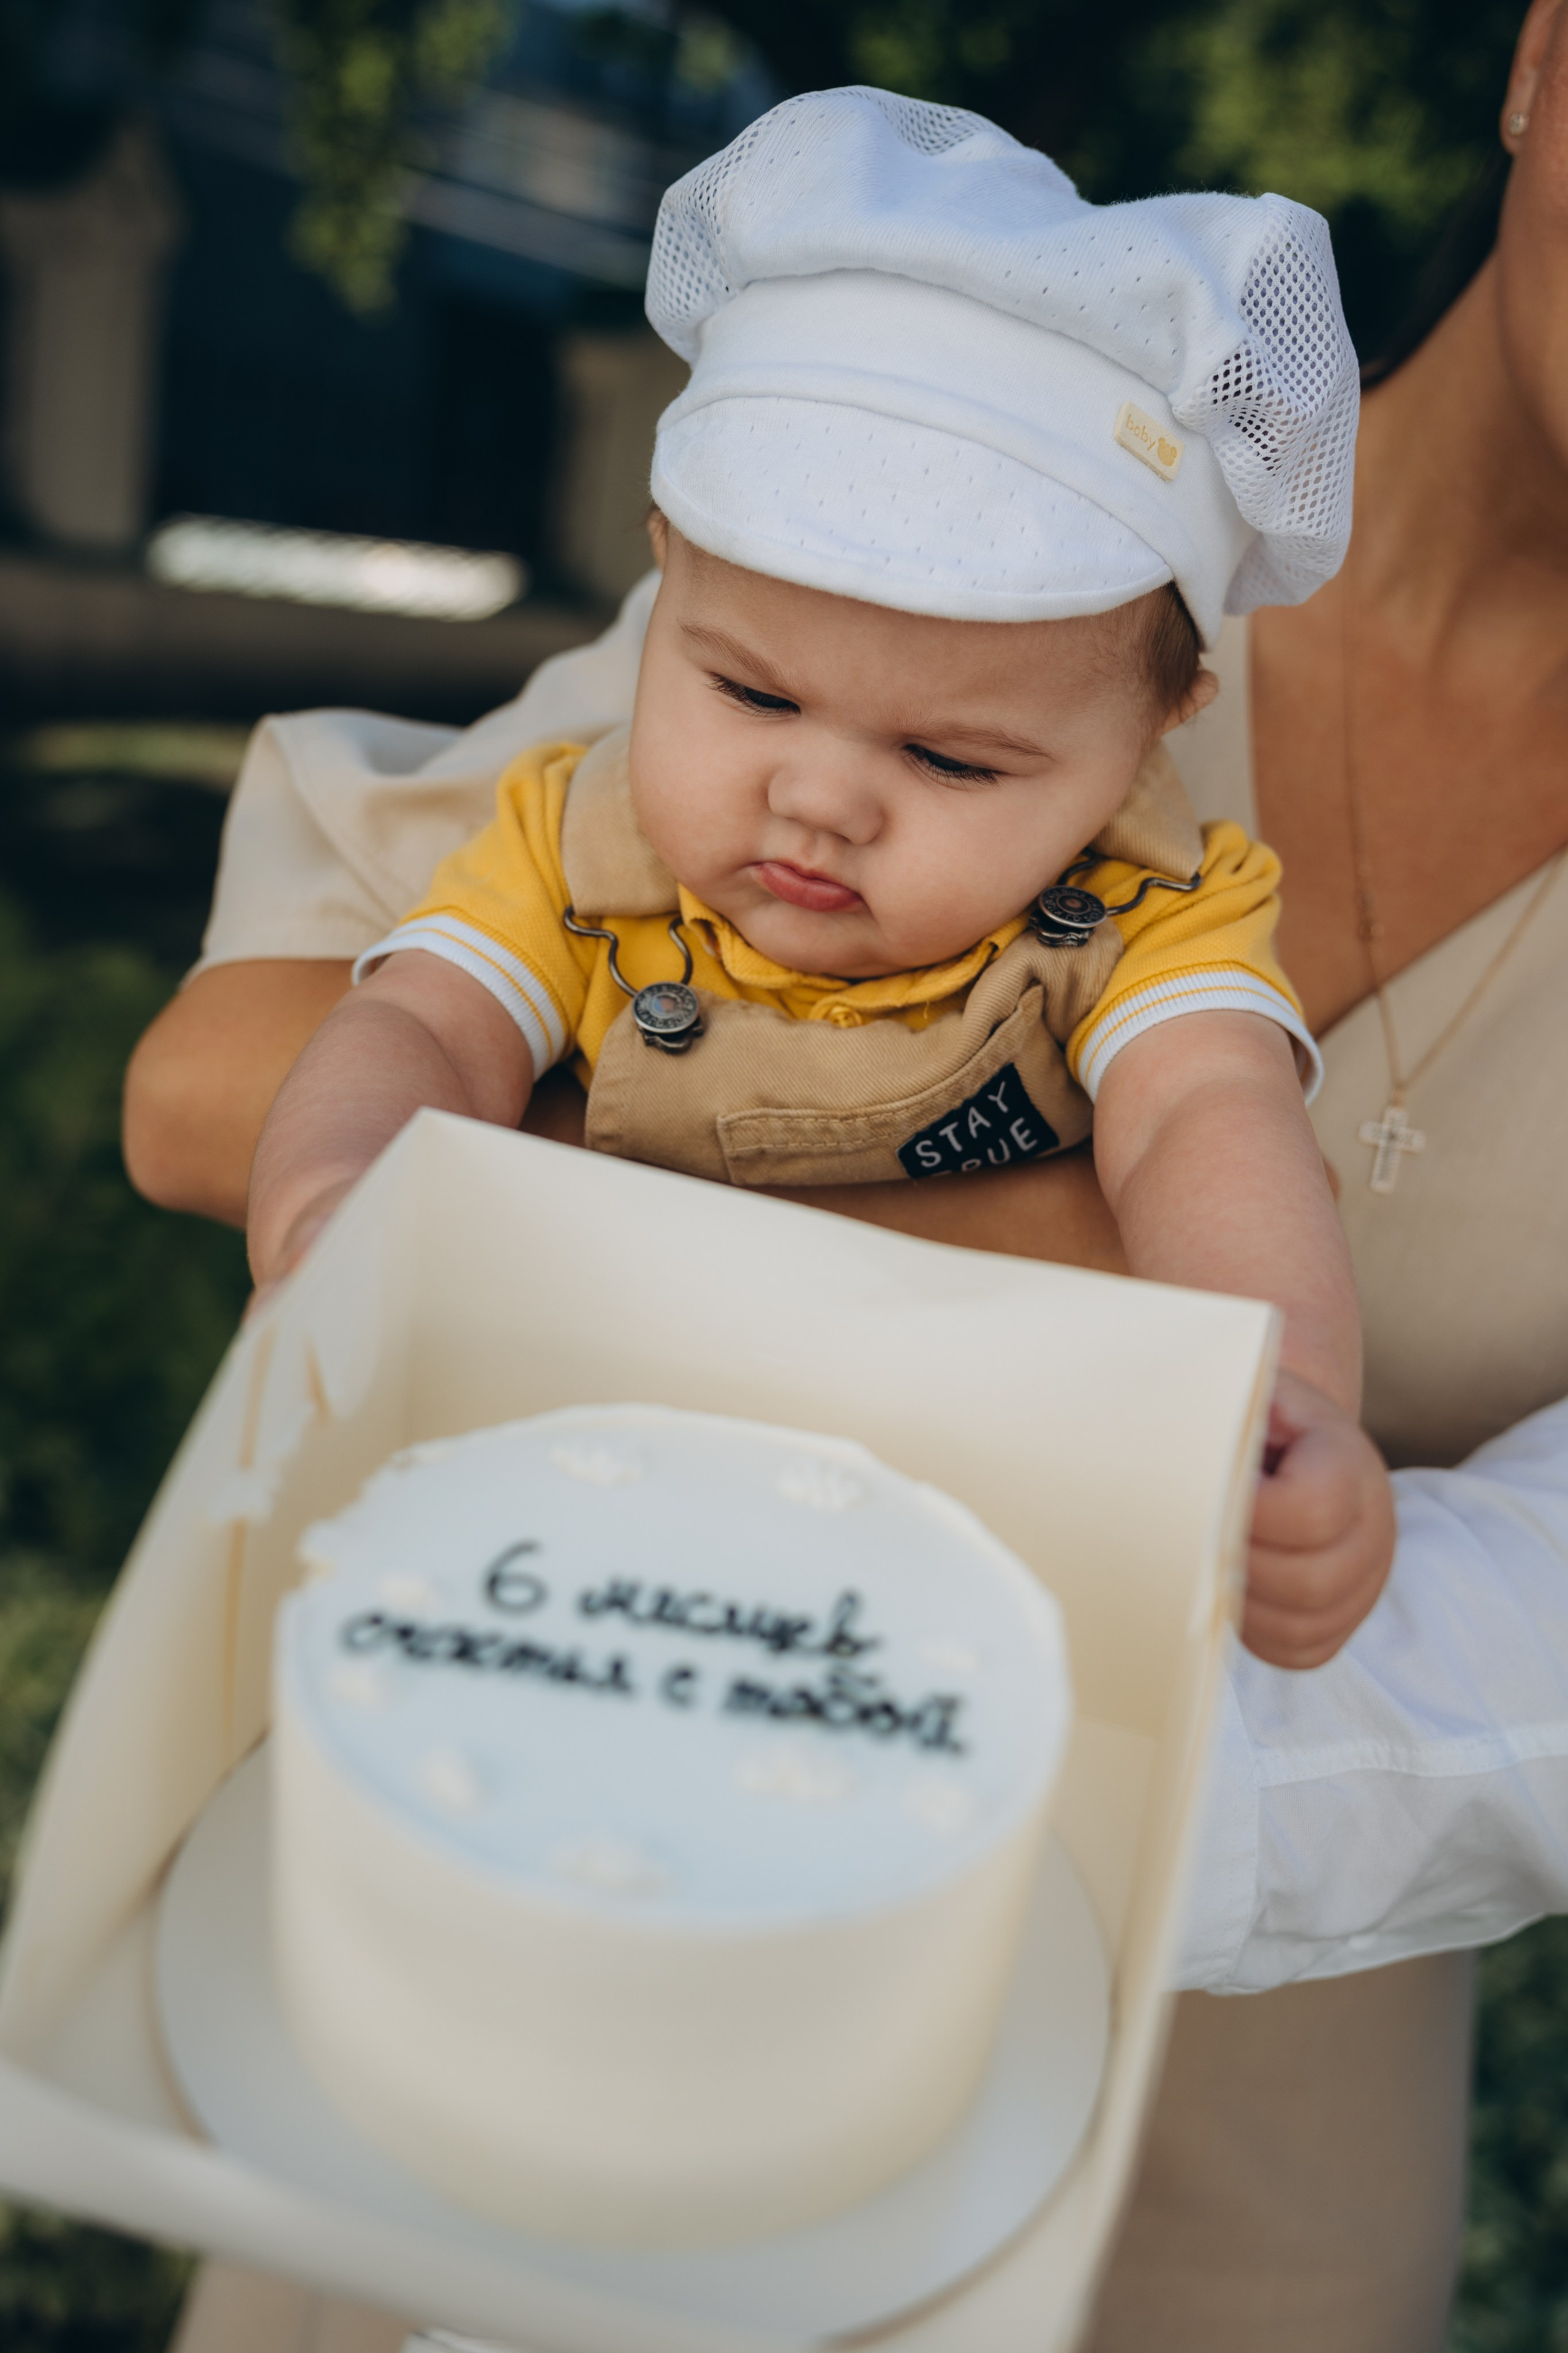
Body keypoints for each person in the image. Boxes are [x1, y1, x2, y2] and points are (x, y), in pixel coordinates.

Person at [126, 1, 1568, 2341]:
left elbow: (1212, 1121)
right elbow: (382, 1027)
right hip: (597, 1740)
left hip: (1216, 1976)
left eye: (955, 754)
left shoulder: (1134, 901)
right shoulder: (642, 781)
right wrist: (353, 1214)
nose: (822, 801)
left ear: (1147, 731)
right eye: (758, 701)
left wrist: (1274, 1396)